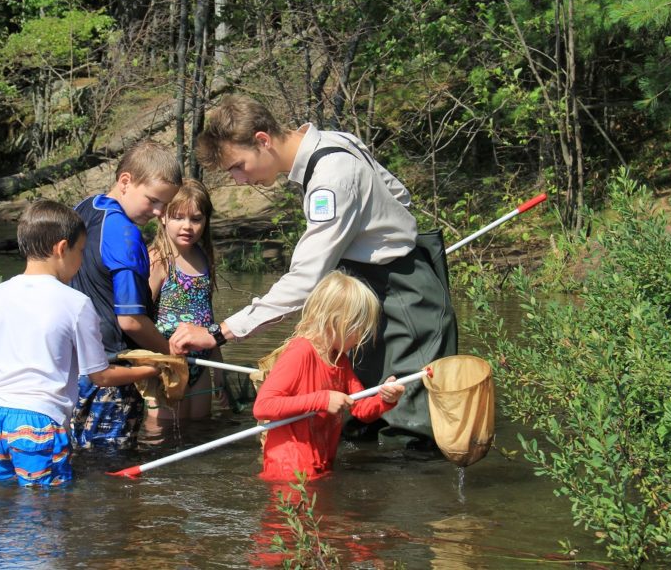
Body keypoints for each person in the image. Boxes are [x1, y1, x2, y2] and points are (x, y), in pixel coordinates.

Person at [170, 94, 457, 443]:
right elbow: (400, 195)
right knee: (361, 411)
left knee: (407, 427)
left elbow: (305, 281)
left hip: (403, 301)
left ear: (262, 140)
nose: (239, 180)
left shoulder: (330, 180)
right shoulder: (337, 140)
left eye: (238, 166)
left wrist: (219, 333)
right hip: (368, 298)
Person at [0, 200, 160, 486]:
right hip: (38, 422)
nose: (81, 259)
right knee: (44, 508)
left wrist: (4, 386)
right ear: (62, 248)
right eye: (81, 251)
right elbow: (99, 376)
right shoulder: (76, 303)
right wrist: (152, 370)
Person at [69, 140, 182, 449]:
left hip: (72, 367)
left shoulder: (83, 208)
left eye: (165, 205)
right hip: (113, 372)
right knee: (112, 471)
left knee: (75, 457)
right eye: (153, 200)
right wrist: (168, 354)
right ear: (125, 181)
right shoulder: (125, 234)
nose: (159, 213)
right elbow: (130, 320)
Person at [252, 271, 406, 481]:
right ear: (336, 321)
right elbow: (263, 406)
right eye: (358, 328)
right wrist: (322, 399)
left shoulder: (339, 359)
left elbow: (360, 408)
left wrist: (385, 398)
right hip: (289, 468)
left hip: (319, 462)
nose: (362, 337)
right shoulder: (300, 352)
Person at [147, 179, 225, 420]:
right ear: (163, 217)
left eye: (196, 219)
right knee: (163, 433)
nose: (187, 226)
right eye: (178, 217)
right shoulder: (159, 259)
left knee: (199, 429)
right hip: (167, 362)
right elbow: (140, 317)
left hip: (200, 363)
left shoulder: (204, 258)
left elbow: (207, 318)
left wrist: (218, 368)